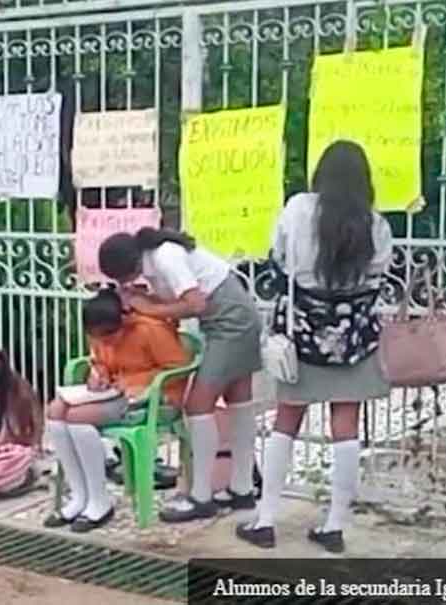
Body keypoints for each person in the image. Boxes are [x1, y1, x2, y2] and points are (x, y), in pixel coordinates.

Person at [236, 140, 394, 554]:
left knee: (286, 420)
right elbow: (379, 276)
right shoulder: (375, 224)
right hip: (354, 337)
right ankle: (335, 525)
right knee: (346, 424)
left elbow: (278, 257)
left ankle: (266, 519)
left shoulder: (298, 208)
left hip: (301, 333)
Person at [98, 226, 263, 523]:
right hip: (232, 316)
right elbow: (182, 303)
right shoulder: (154, 261)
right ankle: (242, 488)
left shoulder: (165, 257)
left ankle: (201, 496)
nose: (123, 285)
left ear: (129, 267)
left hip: (231, 321)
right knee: (239, 399)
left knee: (198, 405)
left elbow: (195, 304)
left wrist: (146, 309)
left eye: (121, 279)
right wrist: (147, 300)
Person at [45, 288, 191, 532]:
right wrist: (98, 375)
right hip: (114, 391)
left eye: (108, 337)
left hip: (154, 398)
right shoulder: (100, 336)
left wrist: (137, 381)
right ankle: (80, 495)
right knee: (55, 410)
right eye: (97, 338)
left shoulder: (149, 329)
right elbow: (99, 361)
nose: (103, 342)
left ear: (123, 322)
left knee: (76, 417)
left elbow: (179, 367)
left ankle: (99, 501)